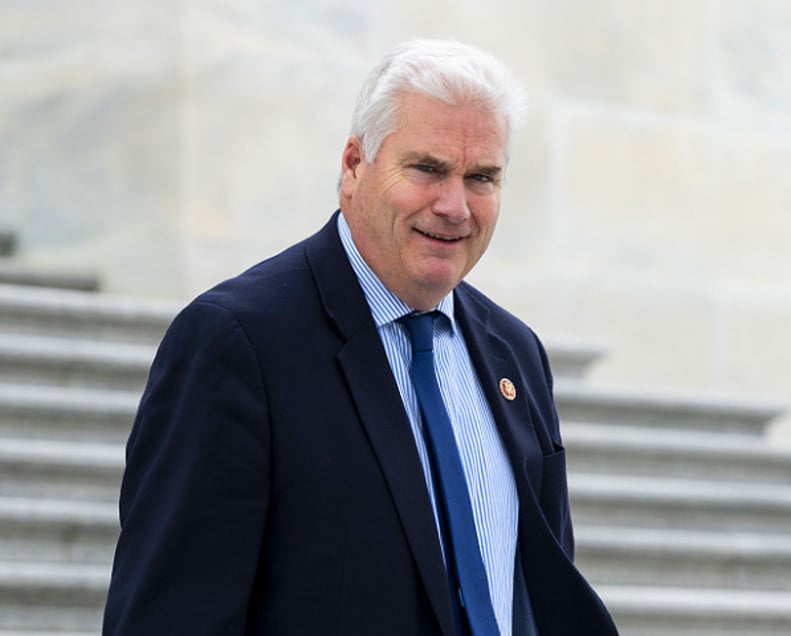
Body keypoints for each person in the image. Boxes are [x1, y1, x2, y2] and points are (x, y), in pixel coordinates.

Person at [103, 39, 618, 636]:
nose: (455, 206)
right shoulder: (236, 344)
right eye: (427, 169)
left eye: (482, 177)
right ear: (353, 166)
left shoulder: (516, 354)